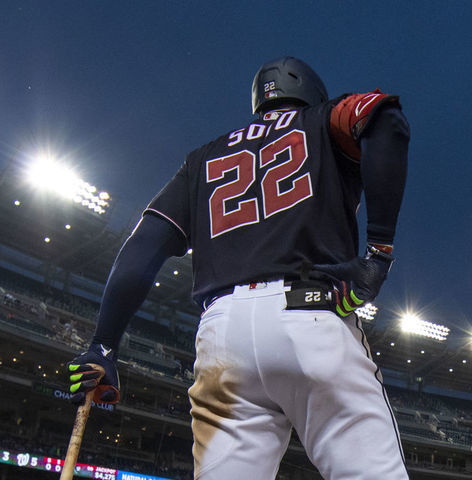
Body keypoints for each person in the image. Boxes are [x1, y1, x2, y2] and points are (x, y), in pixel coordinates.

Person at [65, 56, 410, 479]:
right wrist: (378, 252)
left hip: (222, 337)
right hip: (309, 312)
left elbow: (141, 249)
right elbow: (384, 118)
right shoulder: (322, 120)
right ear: (312, 96)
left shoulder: (201, 159)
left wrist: (103, 344)